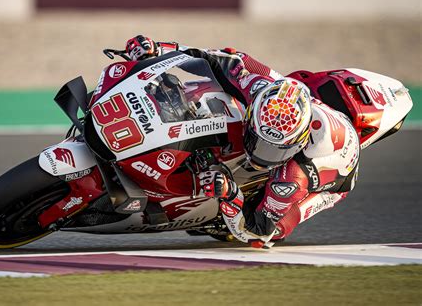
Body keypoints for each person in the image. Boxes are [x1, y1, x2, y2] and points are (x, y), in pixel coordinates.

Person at [125, 35, 360, 247]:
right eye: (259, 141)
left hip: (332, 175)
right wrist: (157, 50)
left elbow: (259, 231)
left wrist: (229, 193)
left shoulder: (294, 176)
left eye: (273, 150)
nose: (260, 154)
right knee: (213, 86)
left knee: (278, 228)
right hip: (303, 109)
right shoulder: (259, 88)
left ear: (298, 142)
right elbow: (217, 58)